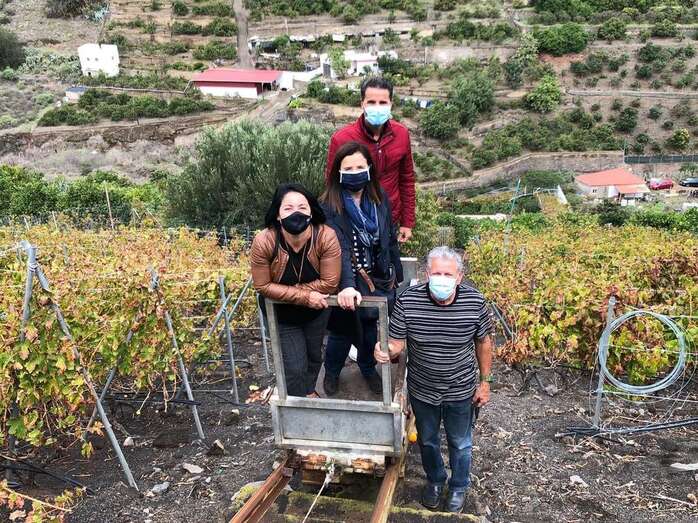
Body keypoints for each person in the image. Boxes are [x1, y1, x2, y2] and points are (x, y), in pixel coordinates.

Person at [374, 246, 493, 513]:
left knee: (460, 442)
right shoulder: (408, 301)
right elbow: (396, 343)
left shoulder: (474, 302)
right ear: (427, 274)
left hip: (460, 388)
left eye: (448, 273)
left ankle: (459, 486)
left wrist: (485, 382)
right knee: (427, 440)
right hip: (422, 388)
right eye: (436, 272)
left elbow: (484, 343)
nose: (441, 278)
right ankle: (436, 481)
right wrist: (385, 350)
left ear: (459, 277)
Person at [320, 141, 403, 396]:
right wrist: (346, 284)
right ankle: (332, 372)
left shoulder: (380, 199)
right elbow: (338, 248)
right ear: (338, 171)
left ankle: (367, 369)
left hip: (376, 279)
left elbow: (388, 237)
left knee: (370, 331)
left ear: (368, 168)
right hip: (345, 280)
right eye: (348, 167)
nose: (355, 171)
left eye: (359, 166)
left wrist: (395, 274)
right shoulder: (328, 205)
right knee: (341, 332)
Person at [250, 183, 341, 398]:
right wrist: (305, 296)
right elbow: (262, 285)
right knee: (294, 365)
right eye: (288, 208)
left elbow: (329, 283)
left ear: (311, 211)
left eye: (302, 207)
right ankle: (298, 407)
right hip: (282, 315)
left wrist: (291, 293)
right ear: (278, 215)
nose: (296, 213)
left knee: (313, 357)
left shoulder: (325, 236)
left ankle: (308, 392)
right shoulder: (264, 241)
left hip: (316, 311)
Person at [324, 76, 416, 244]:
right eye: (371, 102)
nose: (377, 107)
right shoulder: (342, 139)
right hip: (352, 222)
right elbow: (331, 184)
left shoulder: (401, 134)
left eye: (383, 103)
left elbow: (407, 179)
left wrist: (407, 222)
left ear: (391, 104)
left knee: (386, 266)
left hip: (389, 219)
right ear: (362, 104)